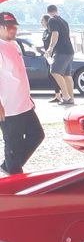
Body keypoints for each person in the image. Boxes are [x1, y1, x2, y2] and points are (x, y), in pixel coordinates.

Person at [0, 12, 45, 175]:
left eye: (15, 27)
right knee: (13, 144)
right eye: (9, 27)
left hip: (24, 103)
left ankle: (8, 167)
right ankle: (14, 176)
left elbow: (19, 74)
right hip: (8, 108)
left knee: (37, 135)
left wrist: (28, 97)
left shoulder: (14, 44)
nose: (13, 30)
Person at [45, 4, 75, 106]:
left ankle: (66, 97)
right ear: (56, 10)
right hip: (69, 50)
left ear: (48, 12)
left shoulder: (52, 20)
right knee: (67, 75)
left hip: (61, 51)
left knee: (54, 72)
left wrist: (50, 48)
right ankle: (71, 98)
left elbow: (55, 34)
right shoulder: (64, 21)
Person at [40, 15, 61, 103]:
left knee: (54, 74)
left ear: (47, 21)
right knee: (50, 75)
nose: (41, 22)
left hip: (54, 55)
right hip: (48, 56)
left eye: (42, 21)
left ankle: (60, 94)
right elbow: (46, 44)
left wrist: (51, 49)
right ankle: (57, 95)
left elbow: (54, 42)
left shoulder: (52, 31)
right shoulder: (45, 32)